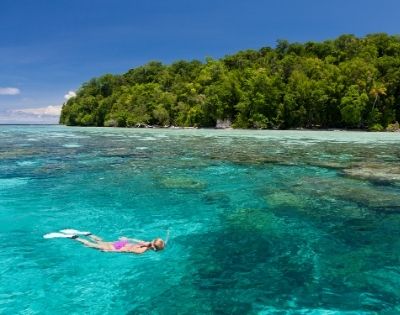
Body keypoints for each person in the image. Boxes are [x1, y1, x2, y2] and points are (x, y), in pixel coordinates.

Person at [71, 233, 165, 254]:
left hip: (123, 243)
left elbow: (136, 241)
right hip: (120, 247)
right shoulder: (141, 251)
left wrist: (126, 239)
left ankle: (88, 234)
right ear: (154, 249)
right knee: (92, 245)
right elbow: (126, 251)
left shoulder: (147, 243)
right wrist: (110, 251)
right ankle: (74, 237)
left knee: (101, 242)